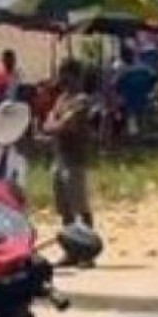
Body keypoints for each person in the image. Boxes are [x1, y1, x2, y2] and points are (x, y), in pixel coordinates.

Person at [42, 59, 96, 267]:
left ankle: (88, 253)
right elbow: (50, 123)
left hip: (74, 159)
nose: (61, 79)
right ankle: (71, 251)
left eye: (64, 75)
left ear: (74, 76)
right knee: (65, 210)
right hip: (59, 157)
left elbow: (66, 125)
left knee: (81, 208)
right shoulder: (62, 99)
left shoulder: (81, 100)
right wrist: (55, 124)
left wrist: (54, 124)